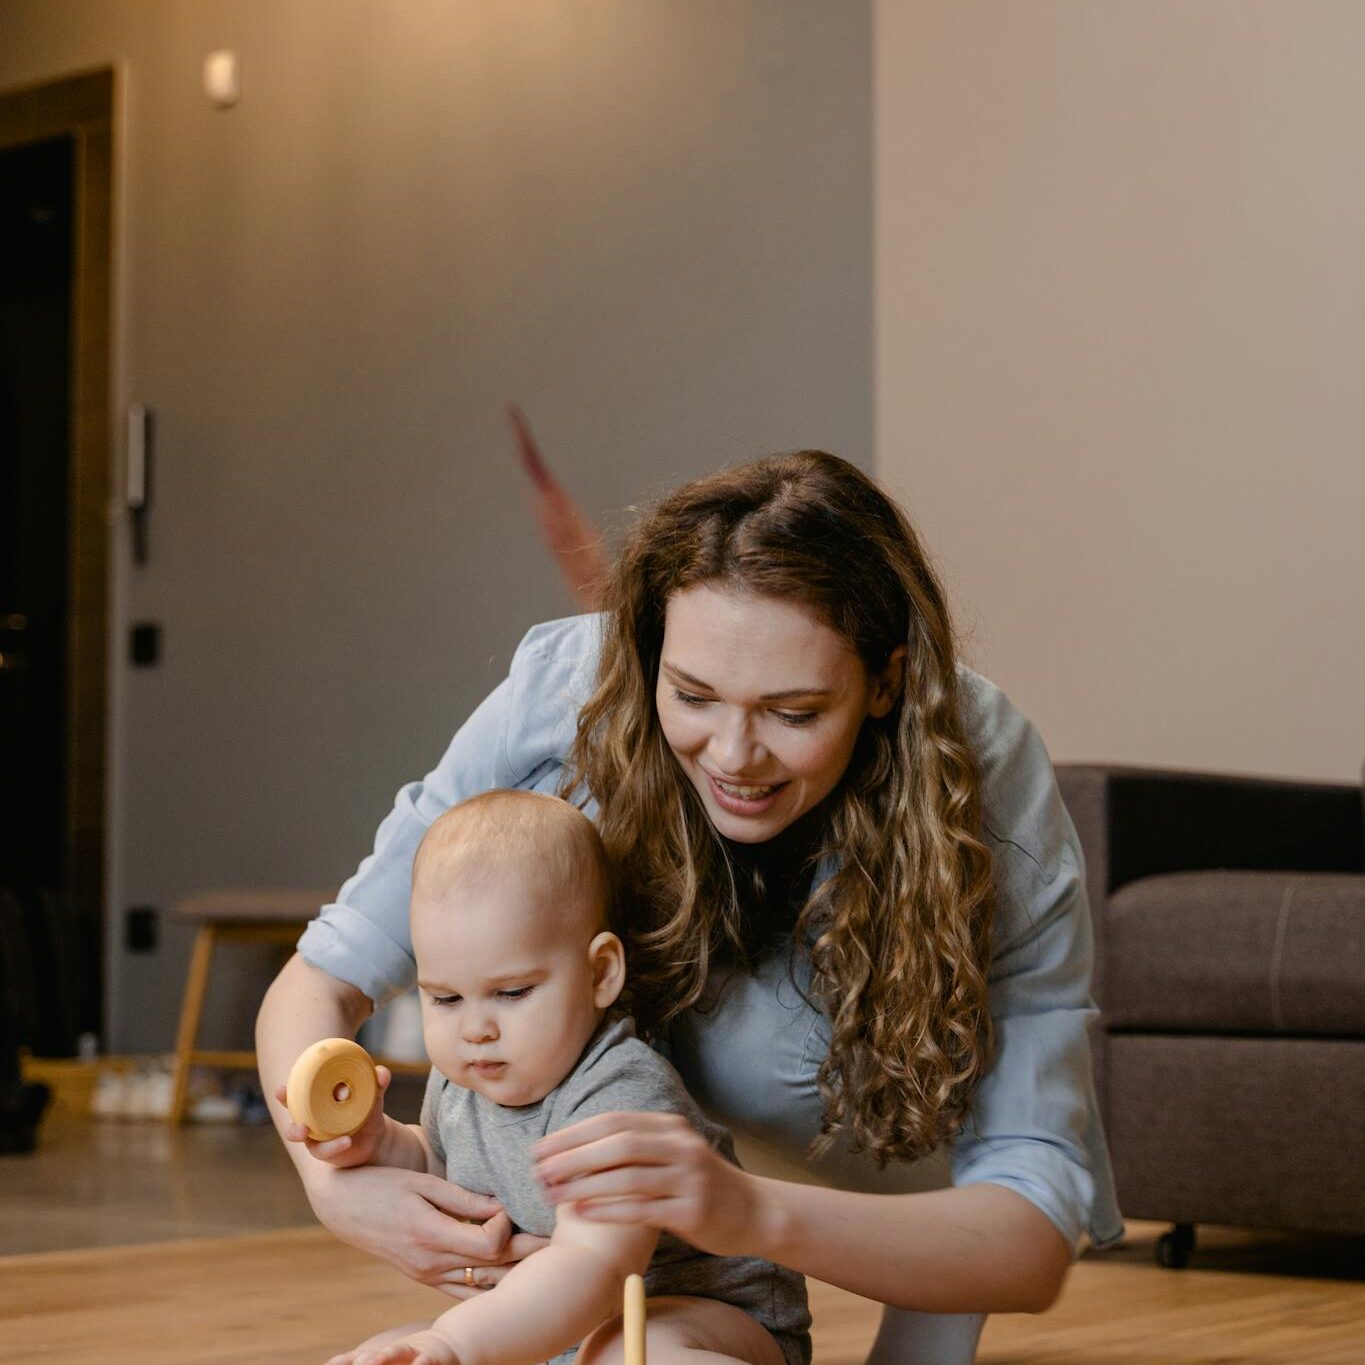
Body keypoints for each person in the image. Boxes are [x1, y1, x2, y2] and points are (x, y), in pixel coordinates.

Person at [258, 450, 1124, 1365]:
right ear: (647, 656)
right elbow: (320, 982)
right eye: (693, 696)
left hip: (858, 1159)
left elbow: (1027, 1239)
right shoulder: (562, 697)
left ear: (886, 681)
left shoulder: (982, 785)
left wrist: (739, 1207)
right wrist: (332, 1176)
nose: (735, 755)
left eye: (793, 713)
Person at [293, 789, 809, 1365]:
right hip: (552, 1322)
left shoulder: (621, 1095)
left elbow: (597, 1263)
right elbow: (446, 1176)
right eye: (444, 998)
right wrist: (380, 1143)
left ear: (600, 973)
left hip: (697, 1311)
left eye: (511, 993)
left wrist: (456, 1343)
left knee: (618, 1354)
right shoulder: (463, 1085)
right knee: (386, 1352)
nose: (475, 1029)